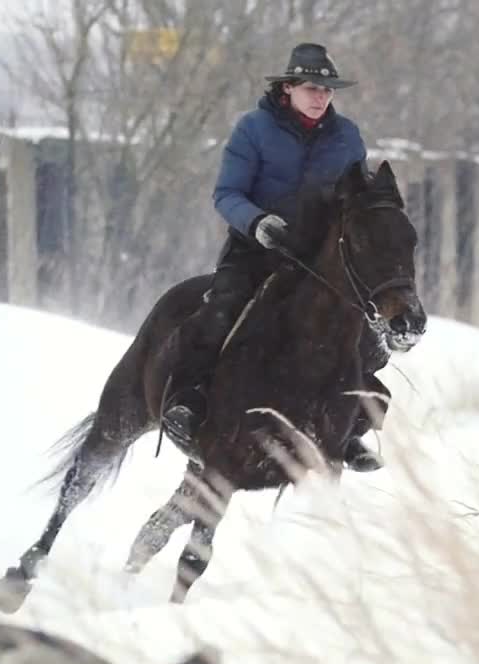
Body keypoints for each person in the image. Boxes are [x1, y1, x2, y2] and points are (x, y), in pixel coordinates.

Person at [160, 42, 388, 472]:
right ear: (288, 88)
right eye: (311, 88)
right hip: (255, 249)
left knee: (365, 335)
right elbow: (226, 194)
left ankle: (349, 429)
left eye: (326, 90)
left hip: (317, 261)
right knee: (221, 310)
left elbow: (355, 199)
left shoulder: (348, 137)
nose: (320, 97)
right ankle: (188, 401)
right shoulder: (253, 129)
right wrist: (258, 222)